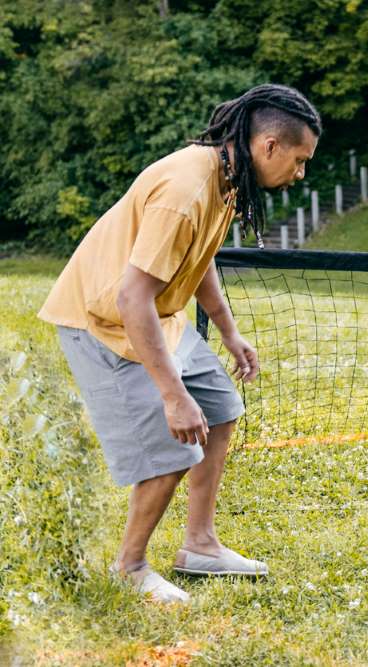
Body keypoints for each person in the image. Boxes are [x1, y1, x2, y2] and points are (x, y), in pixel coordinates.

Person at [38, 83, 322, 603]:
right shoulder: (186, 190)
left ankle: (200, 545)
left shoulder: (226, 178)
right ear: (269, 147)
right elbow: (131, 298)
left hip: (153, 315)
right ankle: (129, 565)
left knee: (219, 406)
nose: (299, 174)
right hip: (104, 321)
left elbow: (200, 256)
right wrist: (172, 395)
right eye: (300, 161)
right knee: (174, 446)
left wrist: (229, 332)